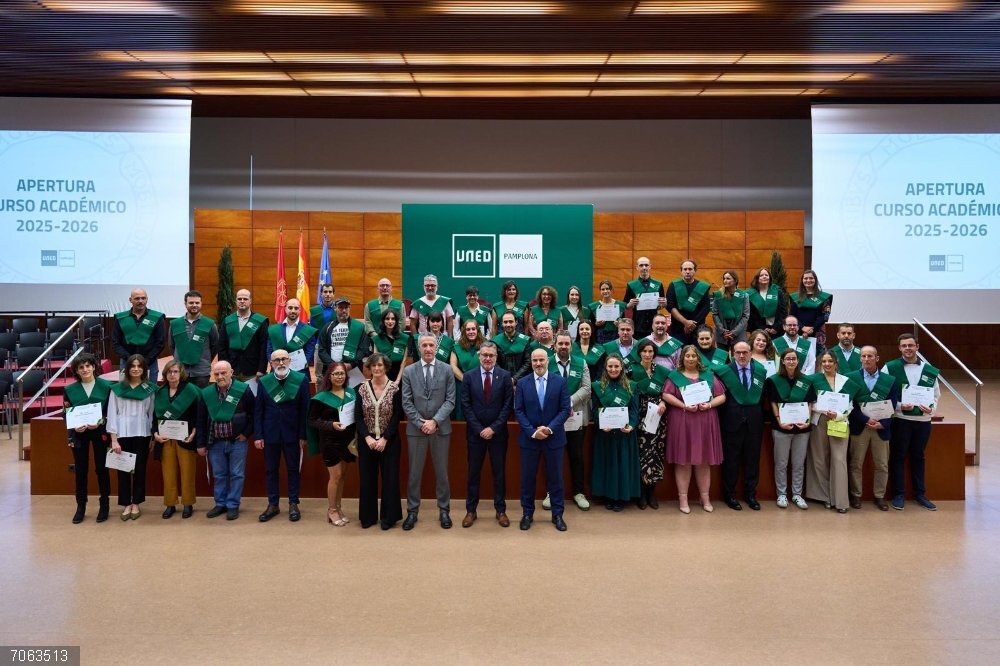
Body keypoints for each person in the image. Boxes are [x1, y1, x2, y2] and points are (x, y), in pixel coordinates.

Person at [401, 334, 456, 530]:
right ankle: (412, 511)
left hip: (440, 429)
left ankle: (444, 510)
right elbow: (406, 402)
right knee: (414, 473)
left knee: (442, 473)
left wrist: (434, 421)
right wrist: (420, 423)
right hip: (416, 430)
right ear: (419, 348)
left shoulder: (447, 369)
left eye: (431, 345)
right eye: (424, 345)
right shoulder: (409, 371)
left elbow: (450, 400)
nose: (428, 348)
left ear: (436, 347)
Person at [662, 345, 726, 513]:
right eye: (687, 356)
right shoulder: (675, 376)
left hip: (705, 420)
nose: (690, 358)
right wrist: (683, 405)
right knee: (683, 461)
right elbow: (666, 394)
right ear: (682, 358)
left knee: (704, 461)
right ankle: (683, 499)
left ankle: (705, 497)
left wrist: (709, 404)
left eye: (693, 356)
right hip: (682, 420)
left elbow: (722, 396)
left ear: (698, 358)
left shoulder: (708, 375)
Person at [514, 348, 571, 531]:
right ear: (531, 362)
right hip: (529, 440)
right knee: (527, 479)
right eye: (535, 360)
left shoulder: (560, 382)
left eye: (541, 360)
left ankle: (557, 514)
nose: (538, 363)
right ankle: (527, 514)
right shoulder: (522, 383)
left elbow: (565, 409)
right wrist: (533, 432)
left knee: (556, 478)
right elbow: (518, 411)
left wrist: (549, 429)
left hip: (554, 439)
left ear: (548, 361)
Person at [883, 333, 941, 511]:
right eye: (904, 346)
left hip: (923, 421)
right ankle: (898, 494)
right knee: (898, 456)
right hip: (901, 419)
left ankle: (920, 494)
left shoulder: (929, 370)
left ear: (917, 347)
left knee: (919, 456)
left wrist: (931, 408)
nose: (907, 348)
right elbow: (884, 394)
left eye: (911, 345)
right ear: (899, 348)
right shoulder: (889, 367)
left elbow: (936, 395)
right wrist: (900, 406)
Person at [460, 341, 514, 528]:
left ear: (496, 357)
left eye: (491, 355)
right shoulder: (469, 376)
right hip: (475, 435)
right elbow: (465, 405)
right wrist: (479, 429)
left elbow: (508, 405)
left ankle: (501, 510)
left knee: (499, 473)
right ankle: (471, 510)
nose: (488, 358)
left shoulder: (505, 376)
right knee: (473, 473)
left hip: (498, 435)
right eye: (485, 355)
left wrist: (493, 428)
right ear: (479, 356)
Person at [255, 349, 311, 523]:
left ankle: (293, 503)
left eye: (284, 359)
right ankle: (273, 504)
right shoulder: (264, 382)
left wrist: (303, 435)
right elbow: (259, 411)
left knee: (293, 469)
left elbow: (305, 410)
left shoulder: (301, 380)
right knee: (271, 470)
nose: (280, 363)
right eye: (276, 360)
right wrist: (258, 435)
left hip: (292, 434)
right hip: (270, 434)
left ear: (289, 361)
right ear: (271, 363)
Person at [197, 361, 254, 520]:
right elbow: (200, 420)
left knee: (237, 474)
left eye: (223, 373)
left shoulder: (243, 390)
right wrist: (201, 444)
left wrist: (246, 434)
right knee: (219, 475)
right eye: (216, 374)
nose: (220, 376)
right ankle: (220, 504)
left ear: (231, 372)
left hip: (237, 442)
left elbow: (254, 414)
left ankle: (233, 505)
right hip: (215, 442)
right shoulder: (206, 393)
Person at [805, 351, 861, 513]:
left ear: (836, 363)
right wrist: (823, 409)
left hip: (839, 421)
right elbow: (809, 403)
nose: (827, 364)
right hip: (819, 421)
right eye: (824, 361)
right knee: (819, 459)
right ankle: (825, 497)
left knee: (839, 459)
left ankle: (840, 500)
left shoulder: (846, 381)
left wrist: (838, 415)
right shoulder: (813, 380)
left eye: (830, 361)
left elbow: (850, 405)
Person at [355, 352, 405, 529]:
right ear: (369, 368)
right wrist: (367, 437)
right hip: (367, 441)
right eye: (374, 365)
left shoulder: (395, 389)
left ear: (386, 367)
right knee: (367, 479)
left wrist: (385, 438)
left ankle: (388, 518)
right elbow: (358, 416)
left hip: (389, 441)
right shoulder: (360, 389)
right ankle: (368, 517)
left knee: (390, 480)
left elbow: (397, 415)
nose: (377, 368)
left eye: (380, 365)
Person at [715, 341, 767, 511]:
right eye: (738, 352)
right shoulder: (724, 372)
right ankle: (729, 494)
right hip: (731, 422)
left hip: (754, 422)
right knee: (731, 460)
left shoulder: (760, 371)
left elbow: (763, 397)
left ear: (751, 353)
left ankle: (750, 494)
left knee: (753, 460)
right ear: (732, 354)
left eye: (745, 352)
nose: (742, 356)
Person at [847, 345, 898, 511]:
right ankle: (856, 495)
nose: (866, 359)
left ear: (877, 359)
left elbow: (893, 404)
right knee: (856, 464)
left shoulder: (889, 380)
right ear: (860, 358)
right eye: (863, 356)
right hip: (860, 426)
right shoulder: (851, 378)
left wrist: (884, 423)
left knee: (882, 464)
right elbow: (850, 404)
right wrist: (866, 419)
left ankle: (879, 496)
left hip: (881, 428)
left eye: (870, 356)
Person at [306, 362, 357, 527]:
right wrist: (331, 425)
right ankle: (332, 510)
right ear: (329, 376)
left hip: (347, 441)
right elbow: (312, 420)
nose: (339, 377)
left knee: (343, 475)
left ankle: (339, 507)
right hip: (330, 440)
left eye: (342, 373)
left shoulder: (351, 393)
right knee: (335, 476)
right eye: (336, 374)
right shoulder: (320, 398)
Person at [63, 352, 113, 523]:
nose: (85, 369)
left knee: (101, 468)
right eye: (81, 367)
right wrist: (73, 427)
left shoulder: (107, 386)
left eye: (87, 366)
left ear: (94, 367)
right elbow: (66, 413)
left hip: (100, 432)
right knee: (81, 470)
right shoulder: (69, 390)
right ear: (76, 371)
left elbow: (112, 412)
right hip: (79, 434)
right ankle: (81, 506)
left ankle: (104, 504)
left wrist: (101, 421)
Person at [545, 332, 592, 512]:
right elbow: (542, 386)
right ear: (554, 345)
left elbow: (586, 388)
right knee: (553, 457)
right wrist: (561, 406)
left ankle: (579, 493)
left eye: (567, 344)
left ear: (571, 346)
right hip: (553, 418)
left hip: (576, 417)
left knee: (577, 456)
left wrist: (568, 403)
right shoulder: (546, 362)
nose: (564, 347)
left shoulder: (581, 363)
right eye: (560, 344)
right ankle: (551, 493)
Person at [107, 354, 157, 520]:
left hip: (142, 434)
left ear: (144, 369)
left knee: (140, 469)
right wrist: (114, 439)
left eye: (139, 366)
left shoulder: (149, 389)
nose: (136, 369)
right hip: (122, 434)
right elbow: (112, 414)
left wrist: (151, 437)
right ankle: (126, 503)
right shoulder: (117, 389)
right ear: (127, 369)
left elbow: (151, 414)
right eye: (133, 366)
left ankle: (136, 502)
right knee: (123, 470)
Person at [766, 348, 817, 510]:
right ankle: (781, 494)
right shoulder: (773, 380)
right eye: (788, 359)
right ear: (782, 361)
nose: (791, 361)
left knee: (798, 464)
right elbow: (773, 402)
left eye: (794, 358)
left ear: (798, 361)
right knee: (781, 463)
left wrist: (808, 421)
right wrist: (779, 420)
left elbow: (810, 403)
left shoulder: (806, 380)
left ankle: (797, 494)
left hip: (802, 429)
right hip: (781, 427)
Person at [151, 360, 201, 519]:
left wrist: (194, 431)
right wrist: (155, 434)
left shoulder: (190, 390)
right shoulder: (160, 392)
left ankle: (188, 503)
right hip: (165, 440)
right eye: (169, 372)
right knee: (168, 474)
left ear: (181, 374)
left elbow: (199, 414)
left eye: (175, 371)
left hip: (185, 439)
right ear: (165, 374)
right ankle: (170, 504)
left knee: (187, 472)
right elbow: (154, 418)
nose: (172, 374)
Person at [590, 354, 640, 513]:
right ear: (605, 368)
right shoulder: (598, 386)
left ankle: (621, 497)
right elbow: (595, 410)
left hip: (625, 434)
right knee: (607, 464)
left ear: (622, 368)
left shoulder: (631, 386)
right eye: (610, 366)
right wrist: (600, 423)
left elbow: (634, 410)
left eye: (616, 366)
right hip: (605, 433)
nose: (613, 369)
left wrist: (632, 425)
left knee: (622, 465)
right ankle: (609, 496)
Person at [631, 339, 668, 509]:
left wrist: (664, 402)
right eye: (644, 351)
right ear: (639, 353)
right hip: (639, 417)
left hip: (658, 417)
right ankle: (641, 494)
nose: (647, 354)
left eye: (650, 351)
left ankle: (651, 492)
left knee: (655, 454)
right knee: (641, 454)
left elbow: (667, 392)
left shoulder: (662, 371)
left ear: (654, 354)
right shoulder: (631, 370)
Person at [218, 289, 268, 395]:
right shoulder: (228, 320)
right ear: (236, 301)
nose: (242, 301)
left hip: (253, 370)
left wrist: (261, 369)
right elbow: (222, 347)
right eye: (239, 299)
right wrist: (224, 369)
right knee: (233, 399)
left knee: (252, 400)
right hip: (232, 370)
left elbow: (264, 347)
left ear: (250, 301)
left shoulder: (260, 321)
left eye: (245, 299)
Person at [112, 287, 165, 383]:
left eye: (143, 298)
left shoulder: (157, 317)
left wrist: (146, 360)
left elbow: (160, 342)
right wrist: (130, 359)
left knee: (149, 390)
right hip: (126, 362)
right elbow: (115, 343)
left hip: (150, 362)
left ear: (147, 299)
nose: (140, 301)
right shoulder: (120, 318)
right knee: (126, 390)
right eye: (137, 298)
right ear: (130, 300)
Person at [168, 290, 220, 388]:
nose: (194, 305)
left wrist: (205, 359)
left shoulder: (210, 324)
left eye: (197, 303)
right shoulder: (175, 324)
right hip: (180, 371)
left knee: (200, 397)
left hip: (201, 372)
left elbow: (215, 346)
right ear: (185, 304)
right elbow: (172, 346)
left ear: (201, 303)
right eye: (191, 303)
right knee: (181, 397)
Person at [318, 296, 370, 387]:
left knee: (353, 394)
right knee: (333, 394)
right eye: (340, 307)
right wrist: (332, 365)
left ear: (349, 308)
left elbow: (364, 349)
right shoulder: (327, 327)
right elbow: (322, 349)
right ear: (335, 308)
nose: (344, 310)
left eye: (346, 307)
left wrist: (351, 364)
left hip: (353, 369)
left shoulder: (359, 327)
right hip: (332, 369)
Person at [265, 298, 317, 376]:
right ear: (285, 309)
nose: (293, 311)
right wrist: (275, 364)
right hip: (277, 371)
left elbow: (309, 353)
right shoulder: (273, 330)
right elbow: (269, 350)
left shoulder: (308, 330)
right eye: (290, 308)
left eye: (296, 308)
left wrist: (299, 368)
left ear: (300, 310)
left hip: (300, 373)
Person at [666, 259, 711, 345]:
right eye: (685, 269)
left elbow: (706, 307)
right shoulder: (673, 285)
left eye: (690, 269)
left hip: (698, 329)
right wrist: (685, 322)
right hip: (678, 328)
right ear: (681, 271)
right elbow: (670, 306)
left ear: (695, 270)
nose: (687, 272)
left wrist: (691, 325)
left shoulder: (702, 287)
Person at [790, 269, 833, 354]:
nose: (808, 280)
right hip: (798, 331)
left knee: (819, 357)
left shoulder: (824, 297)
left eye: (811, 278)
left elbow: (825, 316)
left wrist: (812, 328)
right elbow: (792, 316)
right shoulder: (795, 297)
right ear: (802, 281)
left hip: (818, 332)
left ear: (815, 280)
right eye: (805, 278)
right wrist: (802, 327)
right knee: (799, 356)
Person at [624, 256, 667, 339]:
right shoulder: (631, 285)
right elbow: (625, 305)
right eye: (641, 265)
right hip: (638, 325)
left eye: (646, 265)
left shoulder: (658, 284)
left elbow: (661, 306)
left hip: (654, 325)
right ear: (637, 267)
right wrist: (630, 304)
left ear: (650, 266)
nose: (644, 268)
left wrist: (664, 304)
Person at [450, 319, 483, 420]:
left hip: (481, 384)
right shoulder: (457, 347)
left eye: (473, 329)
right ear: (464, 331)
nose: (471, 332)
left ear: (477, 330)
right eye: (468, 329)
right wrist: (466, 380)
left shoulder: (485, 345)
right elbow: (453, 366)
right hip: (462, 384)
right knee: (462, 412)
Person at [710, 270, 750, 351]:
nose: (725, 280)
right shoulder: (718, 295)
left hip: (738, 334)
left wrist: (734, 332)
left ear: (735, 280)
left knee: (737, 357)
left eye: (728, 278)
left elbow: (745, 316)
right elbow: (715, 314)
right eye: (724, 278)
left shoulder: (744, 295)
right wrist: (722, 331)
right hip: (721, 334)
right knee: (722, 357)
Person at [371, 309, 411, 384]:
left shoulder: (404, 338)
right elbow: (376, 361)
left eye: (393, 319)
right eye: (387, 318)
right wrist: (385, 380)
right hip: (382, 375)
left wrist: (397, 381)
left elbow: (404, 362)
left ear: (396, 321)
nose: (390, 321)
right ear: (383, 321)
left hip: (399, 375)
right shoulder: (377, 339)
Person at [747, 267, 787, 342]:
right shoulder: (751, 294)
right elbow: (751, 315)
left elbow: (783, 312)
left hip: (777, 330)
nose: (764, 276)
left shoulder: (777, 291)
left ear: (770, 278)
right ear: (757, 278)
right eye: (761, 275)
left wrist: (776, 327)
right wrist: (763, 328)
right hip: (758, 330)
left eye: (766, 275)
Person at [493, 310, 532, 385]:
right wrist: (505, 378)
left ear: (516, 322)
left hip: (522, 381)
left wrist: (515, 379)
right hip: (501, 381)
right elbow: (495, 362)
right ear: (502, 323)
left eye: (511, 322)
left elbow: (528, 362)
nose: (508, 324)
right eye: (505, 322)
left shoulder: (525, 340)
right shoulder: (495, 341)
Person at [589, 279, 625, 345]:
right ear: (600, 291)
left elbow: (624, 323)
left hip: (616, 335)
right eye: (603, 289)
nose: (605, 291)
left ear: (611, 290)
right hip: (600, 337)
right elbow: (591, 326)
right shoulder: (594, 306)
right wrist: (596, 324)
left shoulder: (620, 305)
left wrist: (619, 325)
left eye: (607, 289)